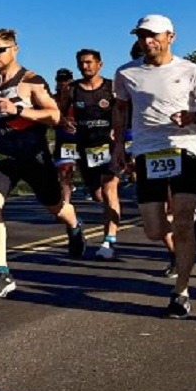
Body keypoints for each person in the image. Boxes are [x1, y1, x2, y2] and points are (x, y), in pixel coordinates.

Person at [112, 15, 196, 318]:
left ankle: (181, 292)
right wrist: (117, 147)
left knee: (181, 224)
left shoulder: (192, 71)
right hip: (146, 153)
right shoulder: (126, 73)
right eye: (141, 35)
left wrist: (195, 118)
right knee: (153, 230)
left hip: (183, 150)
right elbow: (121, 110)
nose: (146, 41)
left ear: (171, 37)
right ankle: (193, 217)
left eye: (152, 35)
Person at [0, 29, 86, 297]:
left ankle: (74, 225)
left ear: (14, 49)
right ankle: (2, 272)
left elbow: (53, 115)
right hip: (1, 156)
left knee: (56, 207)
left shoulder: (31, 80)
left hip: (32, 155)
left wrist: (18, 110)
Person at [60, 49, 120, 260]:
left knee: (109, 189)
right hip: (85, 148)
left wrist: (117, 132)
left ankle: (108, 241)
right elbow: (59, 112)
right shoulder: (72, 89)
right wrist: (65, 122)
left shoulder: (111, 87)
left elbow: (122, 111)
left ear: (99, 64)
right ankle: (96, 227)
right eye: (81, 63)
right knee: (97, 194)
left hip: (108, 145)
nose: (85, 67)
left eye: (88, 62)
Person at [52, 68, 80, 205]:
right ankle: (66, 205)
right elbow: (48, 119)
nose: (63, 84)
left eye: (66, 80)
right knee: (64, 174)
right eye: (60, 81)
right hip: (65, 142)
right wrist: (62, 121)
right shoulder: (52, 99)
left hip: (85, 141)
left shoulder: (81, 95)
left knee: (96, 187)